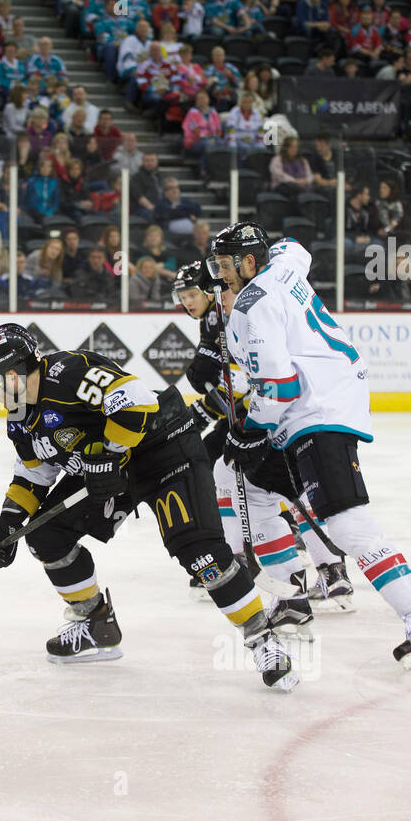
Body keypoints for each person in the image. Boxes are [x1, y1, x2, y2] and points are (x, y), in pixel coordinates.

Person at [0, 323, 299, 689]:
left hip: (164, 449)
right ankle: (96, 624)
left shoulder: (67, 374)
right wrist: (7, 526)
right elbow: (34, 474)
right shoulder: (19, 417)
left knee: (201, 552)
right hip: (111, 471)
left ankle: (263, 639)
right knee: (46, 535)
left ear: (13, 373)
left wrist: (109, 453)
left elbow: (138, 398)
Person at [208, 222, 411, 668]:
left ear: (249, 262)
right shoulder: (283, 266)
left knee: (346, 525)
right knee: (250, 484)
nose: (220, 277)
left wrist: (248, 430)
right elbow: (295, 248)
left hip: (315, 412)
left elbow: (281, 386)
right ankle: (294, 596)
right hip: (326, 402)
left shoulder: (252, 302)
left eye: (226, 265)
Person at [172, 261, 353, 622]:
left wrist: (206, 412)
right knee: (234, 478)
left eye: (193, 294)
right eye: (183, 296)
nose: (187, 302)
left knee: (285, 487)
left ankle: (323, 566)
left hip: (273, 413)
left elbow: (247, 377)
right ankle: (304, 566)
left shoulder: (238, 310)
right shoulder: (214, 318)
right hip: (262, 414)